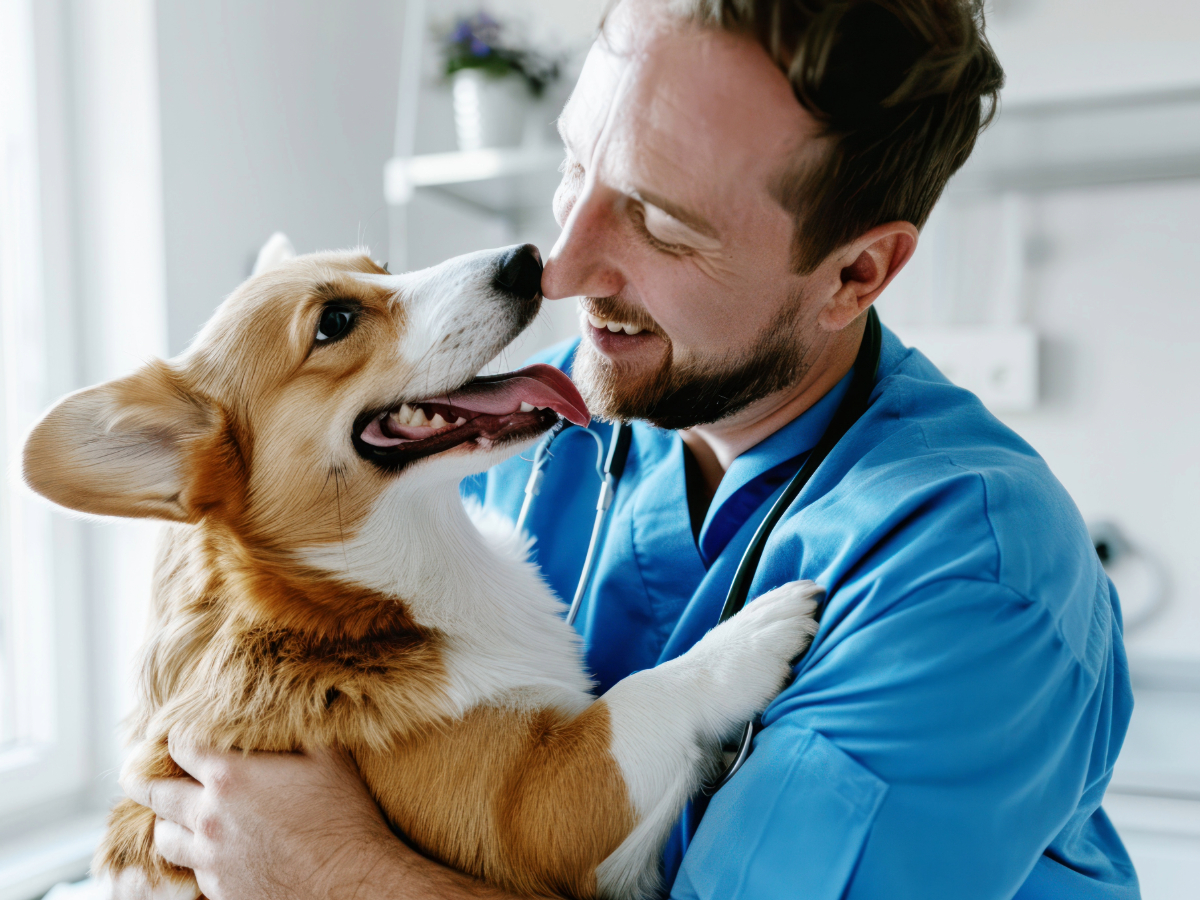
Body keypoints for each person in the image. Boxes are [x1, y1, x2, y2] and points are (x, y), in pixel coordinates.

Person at [120, 0, 1140, 897]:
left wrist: (332, 872)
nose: (557, 266)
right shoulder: (511, 428)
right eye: (575, 164)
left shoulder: (968, 578)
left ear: (855, 273)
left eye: (656, 222)